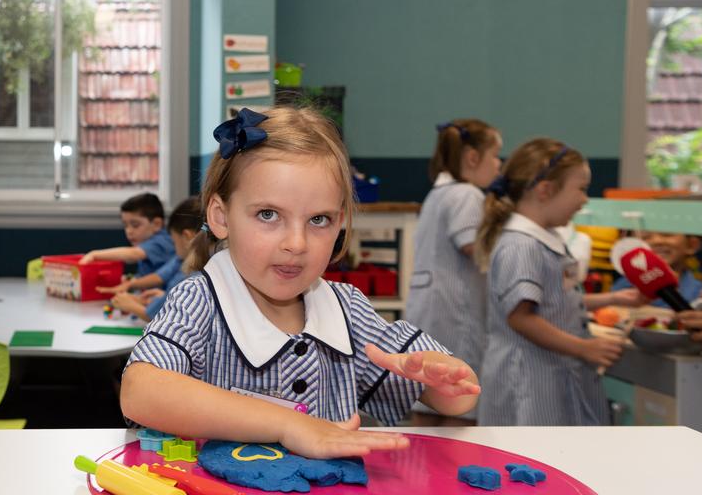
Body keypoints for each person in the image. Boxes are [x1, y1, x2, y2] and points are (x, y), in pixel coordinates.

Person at [121, 106, 480, 459]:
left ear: (340, 222)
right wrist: (287, 424)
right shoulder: (201, 299)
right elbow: (141, 391)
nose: (297, 243)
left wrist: (444, 378)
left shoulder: (346, 310)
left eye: (318, 220)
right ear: (220, 216)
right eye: (268, 214)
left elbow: (460, 400)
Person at [475, 139, 619, 426]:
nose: (584, 200)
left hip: (547, 376)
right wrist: (583, 348)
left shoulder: (545, 240)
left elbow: (554, 299)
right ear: (545, 190)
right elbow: (521, 318)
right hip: (526, 382)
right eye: (580, 189)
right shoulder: (522, 246)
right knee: (526, 463)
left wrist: (615, 299)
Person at [405, 118, 502, 425]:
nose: (499, 165)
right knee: (460, 398)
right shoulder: (466, 194)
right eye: (496, 156)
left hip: (432, 308)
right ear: (473, 158)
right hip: (455, 312)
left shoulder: (438, 193)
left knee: (428, 398)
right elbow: (471, 245)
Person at [101, 196, 201, 322]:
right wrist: (160, 298)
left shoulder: (187, 273)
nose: (129, 231)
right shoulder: (193, 265)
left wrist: (129, 304)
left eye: (174, 242)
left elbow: (159, 317)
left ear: (187, 236)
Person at [80, 193, 176, 277]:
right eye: (125, 225)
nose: (129, 231)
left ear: (156, 224)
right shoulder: (144, 244)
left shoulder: (163, 241)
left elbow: (132, 255)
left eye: (135, 225)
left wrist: (94, 255)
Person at [611, 230, 702, 307]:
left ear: (692, 245)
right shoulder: (623, 287)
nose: (657, 241)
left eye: (667, 234)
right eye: (646, 237)